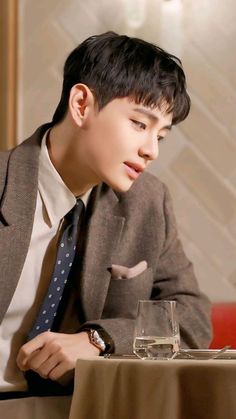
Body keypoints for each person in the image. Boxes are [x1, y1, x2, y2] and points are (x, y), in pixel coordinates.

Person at [0, 31, 212, 398]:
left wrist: (100, 338)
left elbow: (192, 317)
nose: (151, 151)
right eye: (140, 124)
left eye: (161, 136)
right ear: (81, 104)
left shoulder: (147, 202)